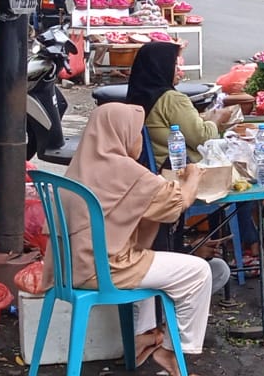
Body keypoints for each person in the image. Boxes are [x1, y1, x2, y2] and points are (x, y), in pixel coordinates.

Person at [61, 103, 211, 375]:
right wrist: (193, 176)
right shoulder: (125, 170)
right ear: (122, 134)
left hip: (69, 269)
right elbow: (180, 203)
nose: (139, 140)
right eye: (136, 133)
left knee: (144, 254)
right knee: (199, 272)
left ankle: (144, 335)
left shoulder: (78, 167)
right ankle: (172, 353)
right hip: (104, 270)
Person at [126, 42, 261, 270]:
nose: (180, 71)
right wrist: (217, 119)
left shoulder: (138, 95)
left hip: (153, 172)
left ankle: (235, 245)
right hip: (179, 176)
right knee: (247, 181)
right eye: (176, 65)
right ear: (162, 67)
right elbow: (201, 136)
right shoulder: (171, 99)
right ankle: (250, 247)